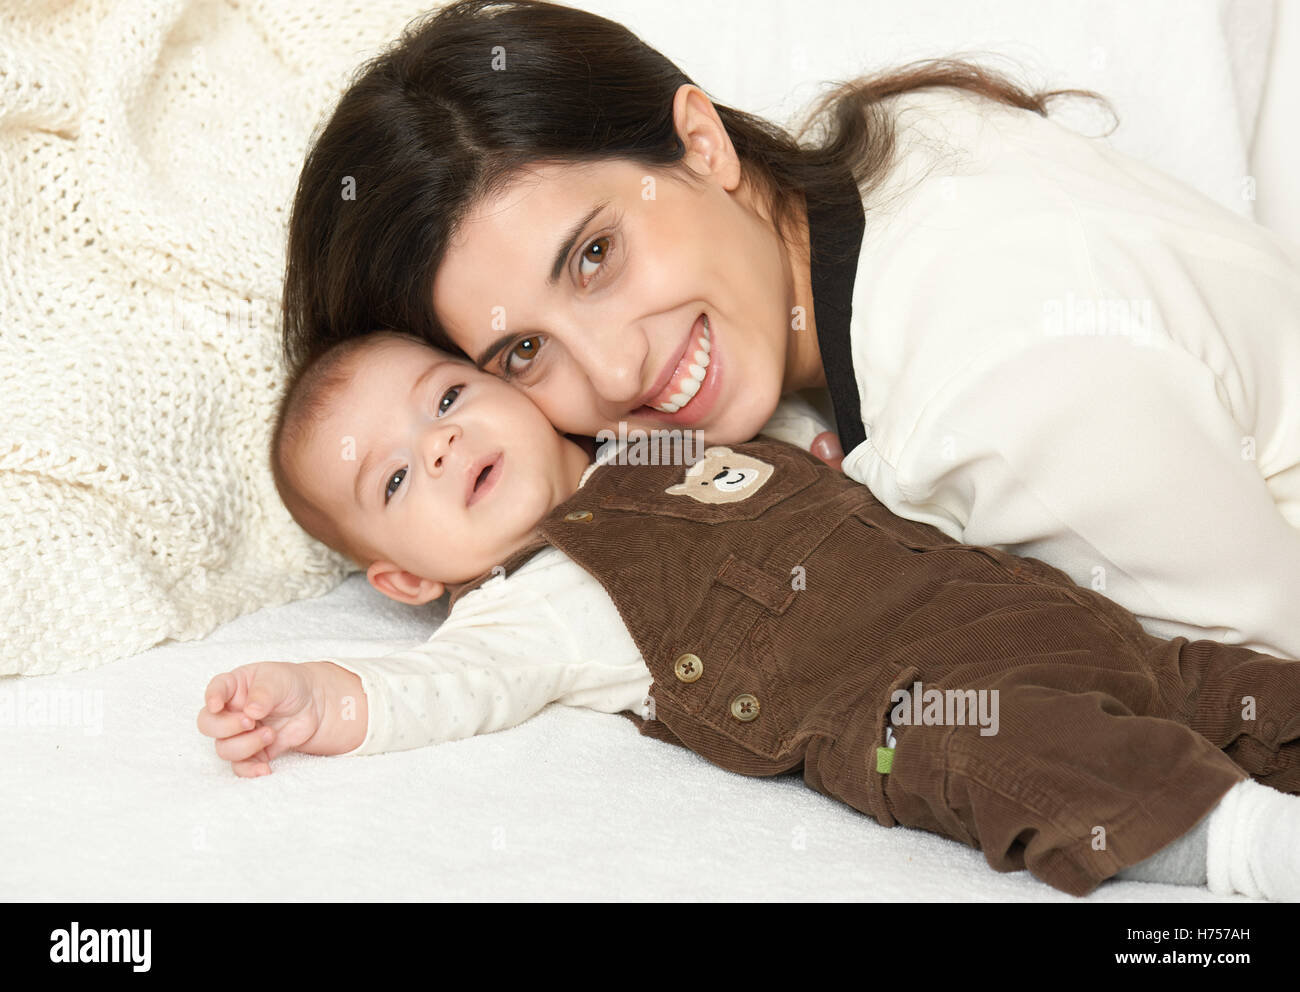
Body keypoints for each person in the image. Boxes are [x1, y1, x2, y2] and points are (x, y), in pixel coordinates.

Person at [281, 0, 1300, 662]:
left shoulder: (997, 387)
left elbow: (1262, 677)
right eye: (521, 353)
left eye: (595, 254)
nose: (614, 366)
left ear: (700, 141)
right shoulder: (898, 160)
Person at [203, 330, 1300, 900]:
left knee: (1222, 682)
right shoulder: (525, 607)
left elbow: (774, 428)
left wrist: (807, 448)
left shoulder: (653, 440)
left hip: (1021, 604)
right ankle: (1251, 844)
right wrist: (319, 694)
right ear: (402, 578)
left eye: (444, 398)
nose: (437, 443)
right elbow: (443, 689)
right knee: (1027, 757)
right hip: (908, 705)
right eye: (394, 481)